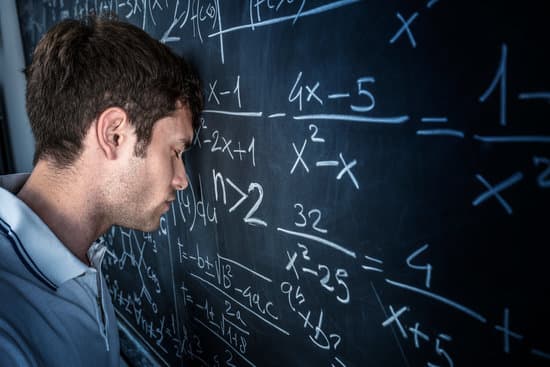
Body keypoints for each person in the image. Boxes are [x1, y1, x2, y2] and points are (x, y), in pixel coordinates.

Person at [0, 14, 203, 366]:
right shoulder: (9, 327)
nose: (182, 179)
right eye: (175, 151)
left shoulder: (74, 254)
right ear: (114, 135)